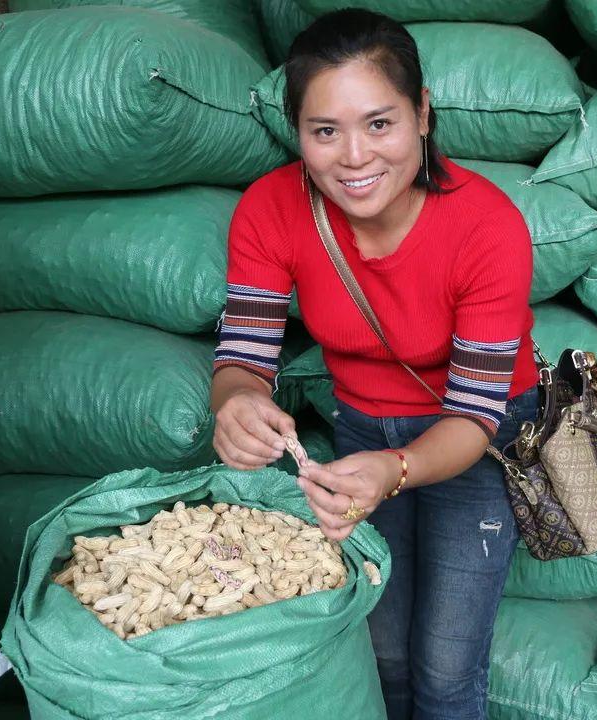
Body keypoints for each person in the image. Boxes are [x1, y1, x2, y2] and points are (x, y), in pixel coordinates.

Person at [209, 9, 538, 719]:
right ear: (298, 132)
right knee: (379, 652)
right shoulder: (270, 210)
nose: (354, 157)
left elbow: (477, 414)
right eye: (325, 131)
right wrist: (234, 402)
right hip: (362, 429)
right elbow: (244, 354)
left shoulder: (487, 227)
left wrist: (398, 470)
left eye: (380, 124)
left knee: (446, 670)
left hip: (477, 438)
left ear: (422, 114)